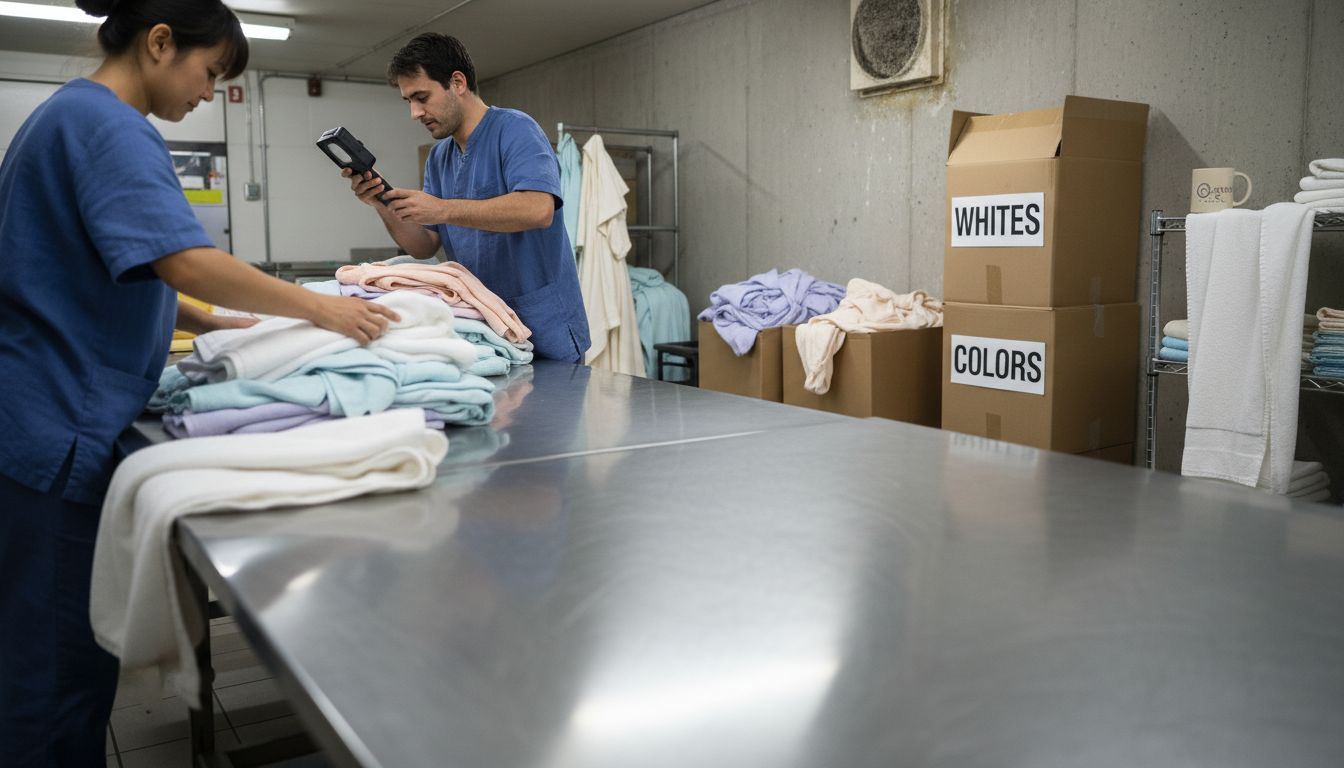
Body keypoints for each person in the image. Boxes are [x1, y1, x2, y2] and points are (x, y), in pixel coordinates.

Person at [0, 1, 399, 765]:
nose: (208, 94)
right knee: (53, 685)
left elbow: (109, 259)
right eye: (209, 73)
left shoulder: (64, 116)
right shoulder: (111, 126)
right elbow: (180, 255)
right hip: (55, 430)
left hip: (30, 419)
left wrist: (201, 319)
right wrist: (321, 307)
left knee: (41, 665)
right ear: (159, 43)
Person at [342, 32, 590, 363]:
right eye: (409, 102)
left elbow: (538, 209)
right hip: (483, 325)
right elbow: (423, 246)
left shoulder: (515, 129)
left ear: (457, 83)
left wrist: (442, 209)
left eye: (422, 97)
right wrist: (381, 203)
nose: (415, 112)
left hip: (542, 323)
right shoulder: (439, 156)